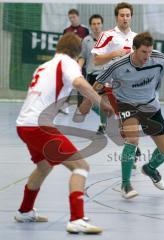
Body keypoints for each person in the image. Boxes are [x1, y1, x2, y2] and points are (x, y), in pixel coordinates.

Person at [14, 32, 113, 234]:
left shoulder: (43, 66)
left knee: (44, 166)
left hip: (23, 124)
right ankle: (76, 219)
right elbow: (78, 83)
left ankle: (25, 211)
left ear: (58, 47)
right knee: (81, 166)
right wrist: (99, 102)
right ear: (77, 54)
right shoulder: (68, 63)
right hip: (38, 126)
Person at [94, 32, 164, 199]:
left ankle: (150, 168)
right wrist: (98, 100)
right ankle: (126, 184)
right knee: (132, 140)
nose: (148, 56)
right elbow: (96, 85)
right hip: (127, 104)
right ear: (134, 49)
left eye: (149, 51)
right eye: (143, 52)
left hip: (150, 105)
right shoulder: (118, 66)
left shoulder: (158, 58)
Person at [91, 2, 141, 168]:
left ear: (131, 17)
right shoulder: (107, 35)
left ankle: (132, 145)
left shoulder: (137, 38)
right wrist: (114, 53)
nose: (125, 18)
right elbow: (96, 60)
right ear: (116, 17)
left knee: (131, 121)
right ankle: (132, 146)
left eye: (128, 15)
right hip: (114, 87)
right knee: (122, 121)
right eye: (122, 15)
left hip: (133, 87)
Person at [77, 14, 107, 134]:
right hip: (90, 75)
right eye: (94, 24)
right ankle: (105, 113)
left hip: (104, 75)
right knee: (85, 104)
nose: (96, 26)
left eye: (98, 24)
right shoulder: (86, 40)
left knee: (102, 101)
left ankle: (102, 125)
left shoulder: (108, 40)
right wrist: (77, 68)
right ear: (90, 25)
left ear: (102, 24)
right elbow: (82, 57)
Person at [62, 9, 89, 115]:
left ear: (78, 17)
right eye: (70, 18)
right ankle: (64, 105)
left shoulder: (85, 30)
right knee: (67, 82)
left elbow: (87, 44)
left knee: (80, 84)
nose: (72, 19)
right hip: (70, 61)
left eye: (74, 17)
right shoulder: (66, 30)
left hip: (81, 61)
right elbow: (64, 46)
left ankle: (80, 107)